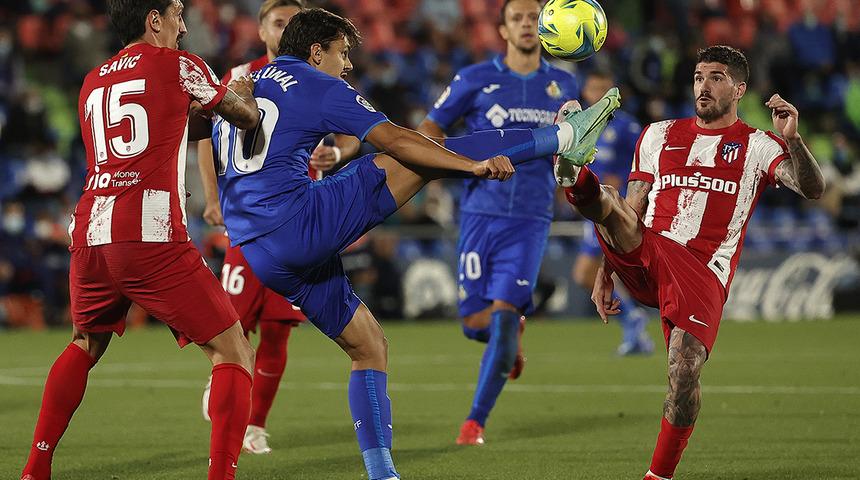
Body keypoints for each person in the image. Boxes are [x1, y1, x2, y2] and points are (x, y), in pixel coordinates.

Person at [213, 9, 600, 479]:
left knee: (369, 345)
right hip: (298, 222)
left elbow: (208, 133)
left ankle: (383, 474)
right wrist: (471, 167)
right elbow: (395, 139)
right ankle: (562, 136)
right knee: (414, 156)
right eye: (343, 53)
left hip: (255, 248)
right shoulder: (317, 84)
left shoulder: (246, 82)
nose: (349, 65)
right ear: (317, 52)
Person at [19, 1, 265, 479]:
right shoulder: (180, 64)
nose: (184, 25)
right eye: (176, 14)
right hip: (149, 233)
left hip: (91, 230)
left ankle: (35, 469)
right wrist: (239, 91)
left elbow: (151, 130)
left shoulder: (93, 80)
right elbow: (245, 118)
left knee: (84, 343)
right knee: (233, 350)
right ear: (154, 19)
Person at [556, 46, 825, 480]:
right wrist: (608, 267)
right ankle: (573, 171)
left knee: (683, 372)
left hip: (702, 271)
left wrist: (792, 140)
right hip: (650, 247)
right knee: (607, 198)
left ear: (739, 89)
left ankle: (658, 475)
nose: (704, 84)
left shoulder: (757, 145)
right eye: (699, 76)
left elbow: (812, 189)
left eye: (716, 77)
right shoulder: (657, 134)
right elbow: (632, 207)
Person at [195, 0, 361, 455]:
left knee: (279, 328)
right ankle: (224, 383)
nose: (285, 28)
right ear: (263, 29)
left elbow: (352, 131)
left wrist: (339, 155)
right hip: (251, 221)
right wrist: (212, 197)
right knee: (232, 320)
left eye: (292, 21)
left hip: (303, 219)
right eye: (278, 21)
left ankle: (255, 424)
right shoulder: (239, 77)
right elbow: (207, 137)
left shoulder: (322, 75)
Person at [416, 0, 578, 445]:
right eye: (518, 19)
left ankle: (474, 423)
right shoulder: (474, 79)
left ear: (546, 29)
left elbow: (574, 145)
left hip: (530, 217)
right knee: (475, 324)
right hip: (479, 214)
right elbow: (428, 131)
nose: (527, 25)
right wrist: (458, 166)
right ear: (503, 30)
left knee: (504, 317)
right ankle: (510, 340)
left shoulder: (563, 84)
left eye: (534, 18)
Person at [570, 70, 654, 356]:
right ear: (585, 90)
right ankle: (633, 321)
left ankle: (634, 321)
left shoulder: (628, 127)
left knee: (587, 271)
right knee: (584, 274)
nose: (598, 94)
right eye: (594, 87)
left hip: (616, 207)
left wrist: (623, 181)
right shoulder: (580, 127)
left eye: (604, 88)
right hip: (592, 205)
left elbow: (644, 162)